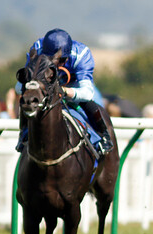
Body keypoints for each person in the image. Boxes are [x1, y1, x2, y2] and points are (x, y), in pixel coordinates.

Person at [15, 28, 113, 157]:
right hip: (44, 82)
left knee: (87, 101)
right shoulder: (37, 48)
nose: (55, 64)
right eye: (49, 59)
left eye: (60, 60)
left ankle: (104, 135)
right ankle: (24, 133)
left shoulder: (81, 55)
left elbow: (88, 93)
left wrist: (66, 91)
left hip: (72, 83)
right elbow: (18, 87)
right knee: (28, 97)